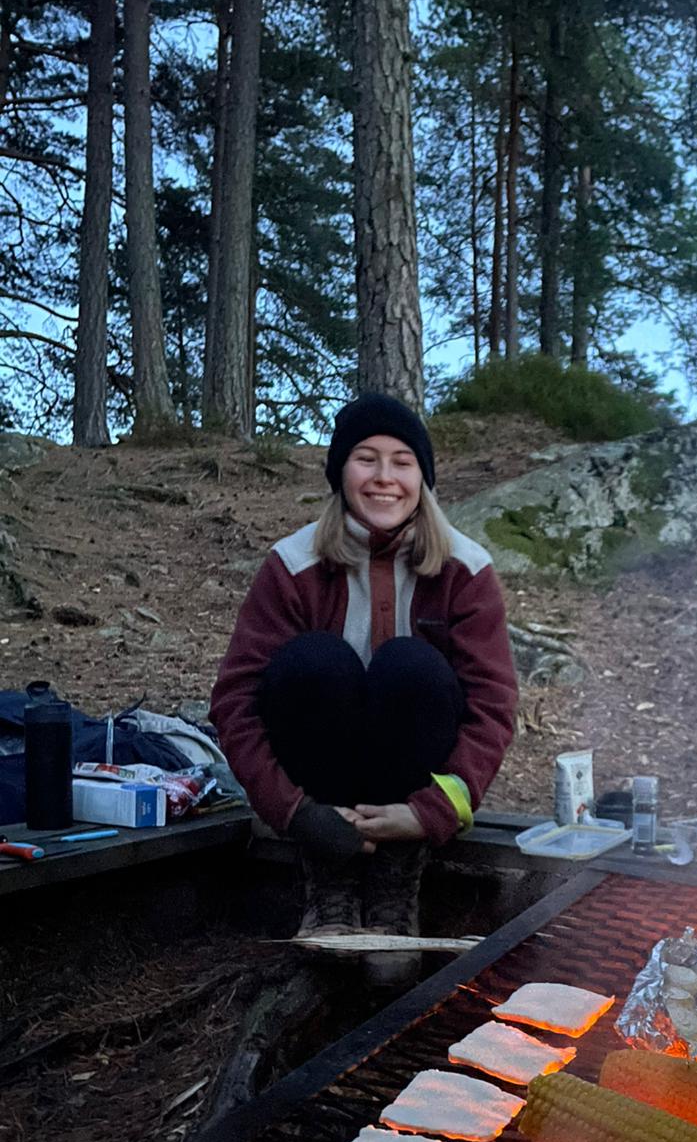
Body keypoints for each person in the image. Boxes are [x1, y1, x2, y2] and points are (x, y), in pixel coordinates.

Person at [211, 392, 518, 942]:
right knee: (316, 661)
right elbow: (236, 701)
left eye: (402, 462)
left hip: (413, 784)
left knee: (410, 666)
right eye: (365, 458)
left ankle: (395, 892)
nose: (384, 478)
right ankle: (329, 890)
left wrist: (430, 813)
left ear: (422, 478)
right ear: (340, 473)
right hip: (318, 787)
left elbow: (493, 706)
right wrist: (296, 812)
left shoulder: (465, 569)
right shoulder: (292, 565)